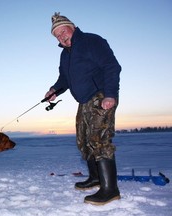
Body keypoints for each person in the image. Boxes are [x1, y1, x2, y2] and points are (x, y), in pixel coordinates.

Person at [45, 12, 121, 205]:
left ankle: (110, 190)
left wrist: (110, 94)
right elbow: (64, 79)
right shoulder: (65, 55)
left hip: (101, 94)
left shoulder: (91, 41)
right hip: (84, 101)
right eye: (57, 35)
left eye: (63, 31)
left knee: (99, 139)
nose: (61, 37)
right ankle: (95, 178)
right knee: (84, 141)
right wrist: (55, 90)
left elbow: (111, 66)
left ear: (72, 27)